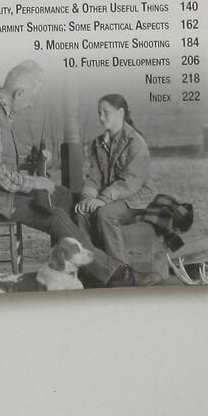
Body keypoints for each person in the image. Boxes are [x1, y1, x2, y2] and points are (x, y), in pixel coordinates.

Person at [0, 61, 132, 287]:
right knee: (53, 216)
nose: (31, 103)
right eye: (31, 97)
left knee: (64, 196)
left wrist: (32, 162)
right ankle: (110, 273)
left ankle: (74, 267)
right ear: (19, 93)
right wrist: (34, 182)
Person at [75, 93, 157, 281]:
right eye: (99, 113)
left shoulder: (136, 142)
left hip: (137, 197)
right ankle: (92, 269)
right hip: (112, 197)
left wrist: (103, 199)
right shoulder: (98, 143)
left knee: (105, 213)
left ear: (121, 112)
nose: (101, 117)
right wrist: (88, 197)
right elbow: (94, 176)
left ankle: (122, 271)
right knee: (81, 211)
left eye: (106, 112)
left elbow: (131, 181)